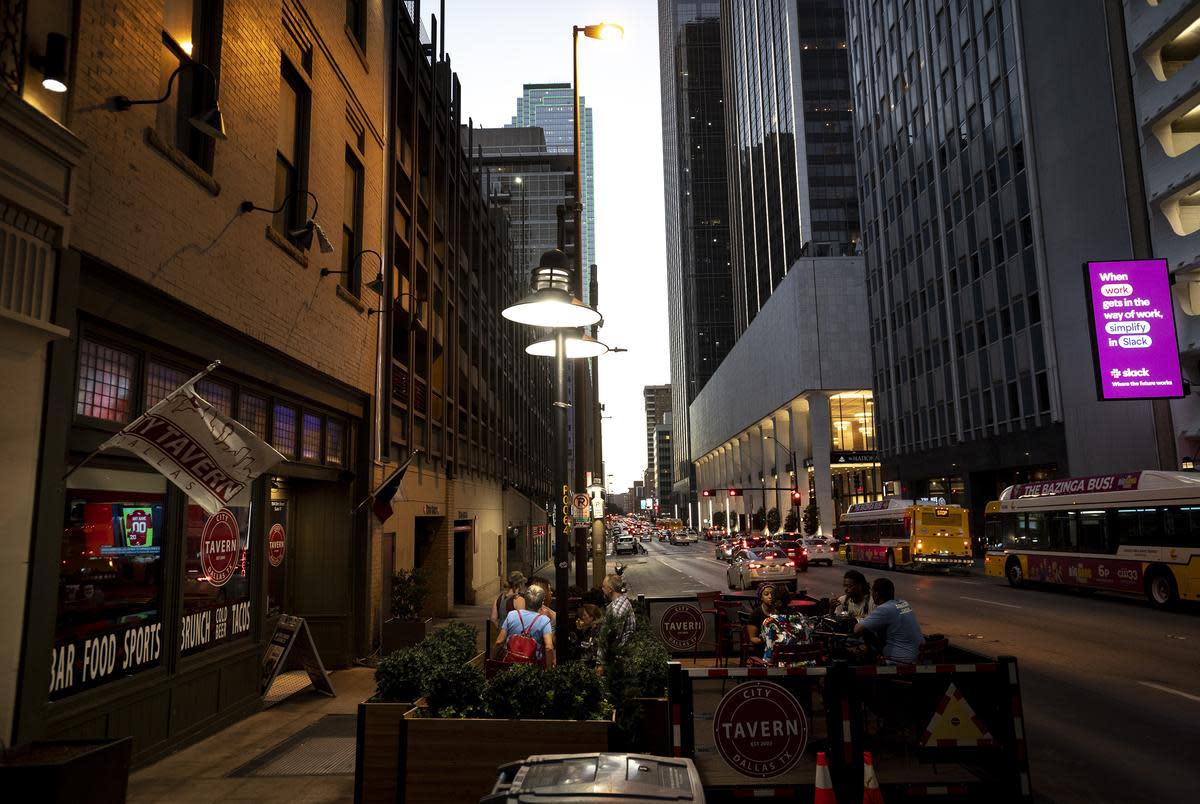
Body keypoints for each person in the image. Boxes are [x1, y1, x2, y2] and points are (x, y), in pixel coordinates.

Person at [854, 577, 923, 664]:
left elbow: (857, 629)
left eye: (872, 592)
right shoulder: (903, 603)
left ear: (876, 594)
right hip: (917, 654)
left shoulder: (884, 609)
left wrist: (859, 620)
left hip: (900, 659)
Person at [495, 587, 555, 667]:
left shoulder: (512, 615)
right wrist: (549, 669)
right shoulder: (544, 620)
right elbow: (549, 647)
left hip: (510, 664)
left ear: (525, 600)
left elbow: (499, 641)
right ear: (542, 603)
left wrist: (492, 660)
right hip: (532, 667)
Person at [602, 572, 636, 646]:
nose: (602, 589)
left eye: (604, 587)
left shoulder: (616, 609)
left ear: (610, 589)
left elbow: (613, 637)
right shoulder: (623, 601)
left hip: (619, 653)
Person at [744, 583, 777, 657]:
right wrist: (764, 639)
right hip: (762, 651)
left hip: (778, 649)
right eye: (766, 594)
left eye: (772, 594)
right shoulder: (755, 614)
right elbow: (753, 638)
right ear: (761, 597)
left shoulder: (779, 612)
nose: (770, 596)